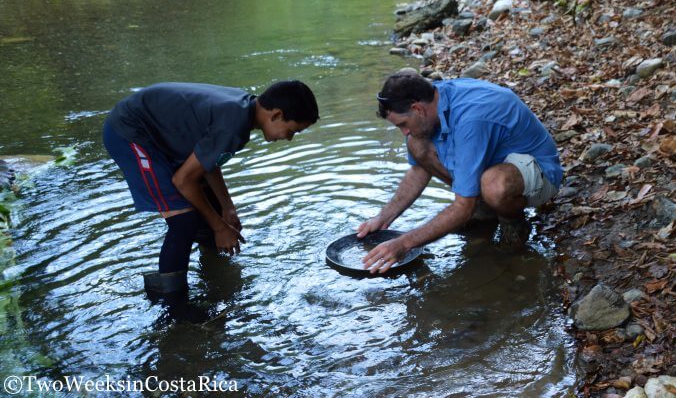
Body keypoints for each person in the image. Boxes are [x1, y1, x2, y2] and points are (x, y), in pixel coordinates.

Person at [103, 81, 319, 294]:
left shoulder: (242, 110)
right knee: (183, 220)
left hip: (158, 131)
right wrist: (220, 228)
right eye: (292, 131)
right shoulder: (233, 126)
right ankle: (173, 304)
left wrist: (227, 208)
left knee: (212, 212)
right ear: (277, 115)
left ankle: (214, 276)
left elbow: (208, 161)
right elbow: (183, 180)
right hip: (131, 132)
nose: (289, 138)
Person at [359, 72, 562, 274]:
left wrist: (404, 243)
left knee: (494, 185)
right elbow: (419, 170)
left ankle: (513, 222)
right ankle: (484, 208)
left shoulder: (471, 119)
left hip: (540, 172)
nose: (404, 132)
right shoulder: (435, 99)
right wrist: (383, 219)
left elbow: (462, 207)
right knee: (417, 143)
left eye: (403, 124)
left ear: (417, 108)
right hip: (495, 161)